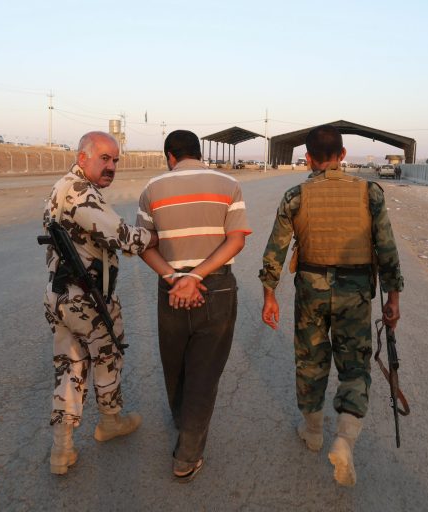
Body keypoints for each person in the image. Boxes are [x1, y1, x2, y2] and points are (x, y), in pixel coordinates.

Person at [258, 124, 404, 486]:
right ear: (342, 156)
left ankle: (312, 432)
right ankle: (344, 439)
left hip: (311, 289)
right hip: (355, 293)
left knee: (310, 360)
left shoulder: (296, 196)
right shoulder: (370, 193)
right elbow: (386, 247)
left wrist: (269, 294)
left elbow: (275, 250)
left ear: (307, 158)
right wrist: (393, 297)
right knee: (354, 367)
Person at [136, 130, 251, 482]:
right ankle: (186, 455)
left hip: (171, 290)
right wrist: (197, 276)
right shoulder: (228, 184)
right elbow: (236, 241)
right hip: (214, 288)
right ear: (199, 153)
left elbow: (144, 245)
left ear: (170, 156)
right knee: (204, 372)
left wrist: (176, 278)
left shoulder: (152, 189)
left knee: (175, 365)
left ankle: (182, 420)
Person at [42, 131, 157, 475]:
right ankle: (110, 421)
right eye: (104, 159)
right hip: (88, 299)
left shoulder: (64, 186)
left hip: (61, 295)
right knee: (106, 357)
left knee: (69, 366)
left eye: (115, 160)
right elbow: (122, 237)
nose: (111, 167)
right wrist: (157, 234)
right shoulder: (80, 193)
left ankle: (62, 449)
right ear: (82, 158)